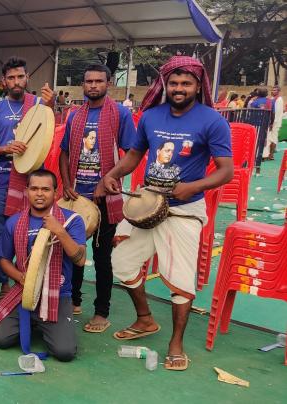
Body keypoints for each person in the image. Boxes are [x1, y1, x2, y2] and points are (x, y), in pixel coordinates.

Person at [101, 56, 233, 371]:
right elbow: (135, 154)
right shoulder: (151, 116)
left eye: (186, 83)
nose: (178, 88)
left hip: (185, 208)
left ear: (197, 86)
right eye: (173, 83)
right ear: (165, 85)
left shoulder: (212, 120)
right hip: (148, 202)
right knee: (122, 262)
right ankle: (145, 319)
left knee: (180, 279)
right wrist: (114, 174)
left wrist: (193, 186)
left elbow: (226, 171)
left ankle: (176, 343)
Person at [57, 64, 137, 332]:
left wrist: (109, 180)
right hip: (77, 197)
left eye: (98, 81)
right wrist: (67, 184)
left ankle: (102, 311)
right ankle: (75, 300)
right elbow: (64, 152)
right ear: (83, 85)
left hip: (106, 199)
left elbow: (130, 155)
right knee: (73, 250)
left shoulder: (120, 114)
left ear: (108, 83)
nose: (93, 85)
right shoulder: (74, 115)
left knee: (102, 257)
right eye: (88, 81)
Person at [0, 169, 85, 361]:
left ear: (56, 192)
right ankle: (36, 322)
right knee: (0, 339)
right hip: (24, 292)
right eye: (34, 188)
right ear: (26, 190)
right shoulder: (14, 222)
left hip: (57, 294)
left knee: (65, 352)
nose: (39, 194)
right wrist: (21, 277)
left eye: (45, 189)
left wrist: (60, 232)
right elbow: (3, 259)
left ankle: (45, 323)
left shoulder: (72, 220)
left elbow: (80, 259)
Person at [0, 56, 54, 303]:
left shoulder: (39, 105)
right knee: (2, 234)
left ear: (27, 78)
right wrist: (6, 149)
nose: (16, 81)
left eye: (20, 76)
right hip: (3, 180)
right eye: (11, 77)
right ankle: (4, 284)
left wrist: (51, 107)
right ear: (3, 81)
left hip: (34, 182)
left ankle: (32, 278)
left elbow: (48, 135)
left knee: (35, 230)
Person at [264, 86, 283, 160]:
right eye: (272, 90)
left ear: (278, 91)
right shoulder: (271, 99)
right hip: (270, 122)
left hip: (275, 122)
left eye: (275, 90)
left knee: (274, 138)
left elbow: (277, 113)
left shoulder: (279, 99)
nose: (273, 91)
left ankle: (271, 155)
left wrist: (273, 123)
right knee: (269, 138)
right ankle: (267, 154)